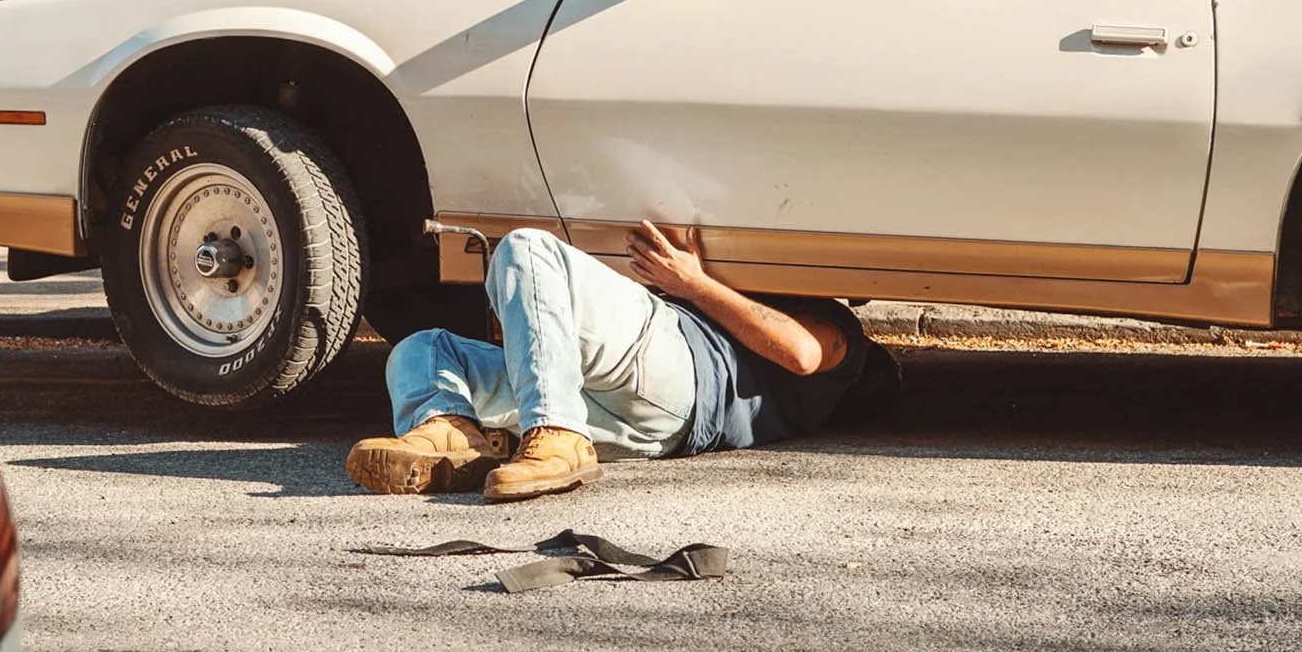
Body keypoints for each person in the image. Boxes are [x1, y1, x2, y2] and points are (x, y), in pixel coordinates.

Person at [347, 223, 900, 502]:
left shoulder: (841, 338)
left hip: (681, 376)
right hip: (639, 427)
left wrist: (694, 284)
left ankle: (555, 433)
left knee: (527, 249)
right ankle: (451, 435)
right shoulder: (797, 402)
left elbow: (802, 353)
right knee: (426, 347)